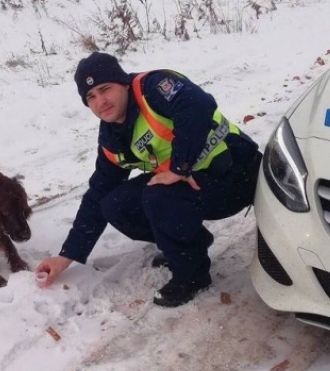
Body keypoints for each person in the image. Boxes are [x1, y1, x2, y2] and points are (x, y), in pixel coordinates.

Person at [36, 52, 261, 307]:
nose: (101, 101)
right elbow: (98, 192)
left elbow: (197, 105)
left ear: (121, 82)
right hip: (196, 184)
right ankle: (187, 246)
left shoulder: (153, 88)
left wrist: (179, 167)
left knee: (158, 196)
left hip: (237, 172)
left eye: (104, 89)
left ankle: (192, 276)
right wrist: (68, 255)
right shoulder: (112, 138)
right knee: (114, 204)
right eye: (91, 97)